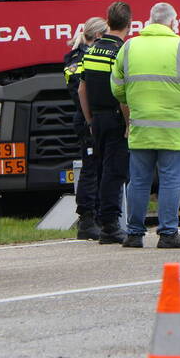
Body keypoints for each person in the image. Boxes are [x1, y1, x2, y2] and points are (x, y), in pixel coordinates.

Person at [112, 2, 180, 249]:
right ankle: (168, 234)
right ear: (173, 22)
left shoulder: (130, 47)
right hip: (175, 130)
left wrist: (132, 103)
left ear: (149, 21)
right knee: (170, 181)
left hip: (142, 128)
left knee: (138, 181)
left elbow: (116, 85)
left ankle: (134, 234)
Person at [79, 2, 132, 244]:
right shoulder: (122, 52)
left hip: (96, 119)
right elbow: (122, 94)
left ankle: (101, 220)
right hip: (115, 117)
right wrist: (129, 123)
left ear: (107, 21)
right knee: (115, 172)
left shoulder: (90, 50)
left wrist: (90, 119)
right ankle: (111, 225)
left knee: (100, 171)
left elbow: (82, 88)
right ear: (129, 25)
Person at [64, 16, 108, 240]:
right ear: (99, 36)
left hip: (88, 118)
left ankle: (97, 217)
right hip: (87, 119)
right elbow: (78, 91)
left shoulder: (78, 55)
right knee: (91, 170)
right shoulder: (80, 58)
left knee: (97, 169)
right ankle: (87, 219)